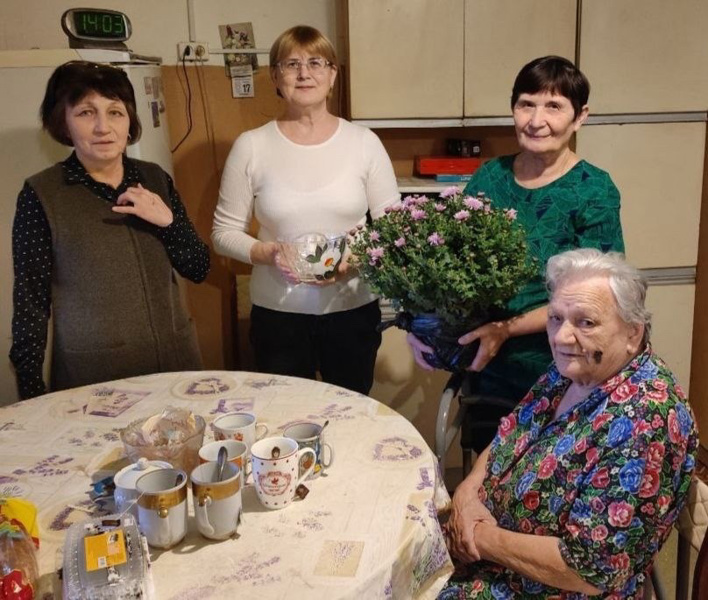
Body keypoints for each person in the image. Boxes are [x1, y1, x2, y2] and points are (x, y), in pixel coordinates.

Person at [439, 249, 698, 599]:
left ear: (633, 334)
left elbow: (589, 568)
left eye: (586, 322)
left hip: (544, 588)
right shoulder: (572, 370)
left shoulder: (646, 422)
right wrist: (468, 493)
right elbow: (509, 433)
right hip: (487, 550)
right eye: (555, 318)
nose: (561, 337)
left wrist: (479, 536)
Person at [408, 55, 625, 453]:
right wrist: (421, 326)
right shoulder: (491, 177)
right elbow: (451, 266)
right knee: (488, 471)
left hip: (561, 363)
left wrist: (506, 328)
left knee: (545, 477)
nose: (536, 119)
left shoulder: (593, 190)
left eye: (554, 106)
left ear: (580, 117)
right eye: (526, 103)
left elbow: (598, 296)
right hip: (487, 362)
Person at [212, 25, 400, 395]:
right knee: (284, 423)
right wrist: (265, 253)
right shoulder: (252, 146)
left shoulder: (364, 144)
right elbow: (223, 233)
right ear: (275, 77)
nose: (304, 73)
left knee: (350, 417)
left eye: (316, 62)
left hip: (352, 311)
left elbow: (394, 228)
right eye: (291, 63)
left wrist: (354, 256)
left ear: (332, 75)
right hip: (278, 318)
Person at [10, 61, 209, 399]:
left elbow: (199, 268)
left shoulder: (155, 178)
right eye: (86, 113)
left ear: (129, 120)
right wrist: (31, 392)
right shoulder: (43, 194)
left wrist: (169, 224)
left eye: (115, 112)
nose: (103, 127)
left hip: (175, 370)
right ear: (63, 122)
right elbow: (30, 302)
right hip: (94, 381)